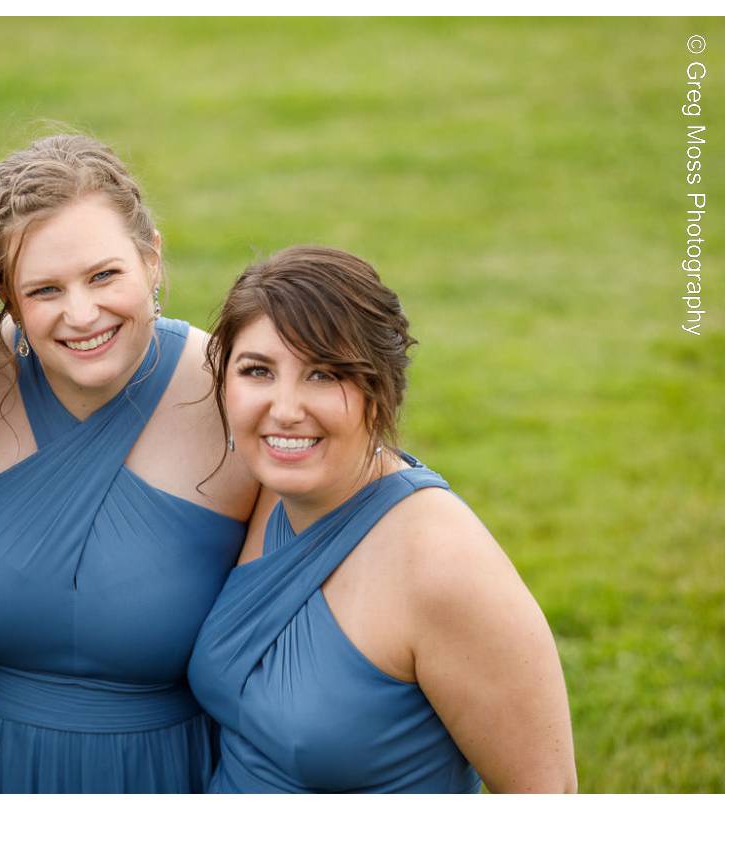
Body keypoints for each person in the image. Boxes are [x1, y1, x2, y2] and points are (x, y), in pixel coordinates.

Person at [0, 135, 259, 793]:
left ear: (151, 257)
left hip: (162, 782)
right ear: (5, 295)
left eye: (104, 275)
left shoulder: (240, 395)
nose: (82, 313)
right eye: (44, 289)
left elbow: (353, 533)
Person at [187, 246, 577, 793]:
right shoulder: (269, 495)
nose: (285, 407)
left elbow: (545, 798)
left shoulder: (442, 568)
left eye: (324, 374)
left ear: (380, 389)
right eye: (258, 371)